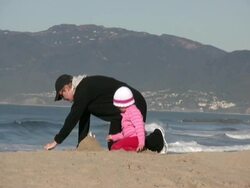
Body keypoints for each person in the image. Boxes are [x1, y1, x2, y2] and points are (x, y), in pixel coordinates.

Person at [44, 74, 167, 153]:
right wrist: (81, 145)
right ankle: (153, 139)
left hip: (133, 104)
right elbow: (83, 119)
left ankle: (157, 139)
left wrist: (56, 141)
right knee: (113, 147)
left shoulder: (83, 89)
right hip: (118, 115)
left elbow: (73, 118)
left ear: (67, 88)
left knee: (132, 143)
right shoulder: (83, 93)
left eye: (62, 95)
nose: (64, 99)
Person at [106, 86, 145, 152]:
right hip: (131, 139)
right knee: (114, 146)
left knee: (115, 147)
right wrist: (113, 137)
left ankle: (134, 150)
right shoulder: (126, 114)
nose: (118, 109)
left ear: (123, 104)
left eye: (119, 107)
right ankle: (132, 150)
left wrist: (141, 143)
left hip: (135, 139)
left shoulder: (133, 111)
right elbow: (124, 134)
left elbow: (140, 127)